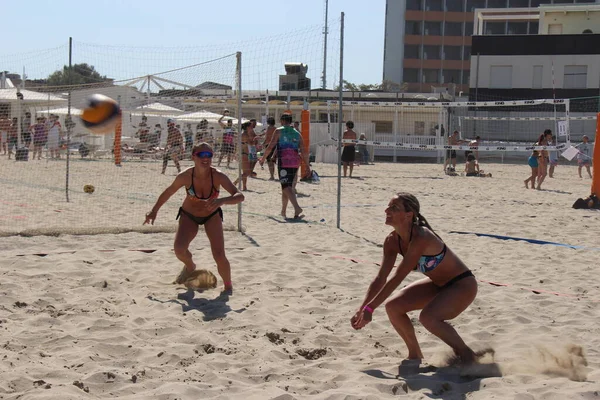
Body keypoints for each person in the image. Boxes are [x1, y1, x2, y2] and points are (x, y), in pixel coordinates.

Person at [351, 193, 478, 364]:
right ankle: (415, 354)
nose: (387, 210)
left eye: (394, 208)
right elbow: (381, 278)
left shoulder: (421, 237)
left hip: (462, 285)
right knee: (393, 307)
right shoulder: (391, 241)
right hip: (438, 284)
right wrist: (363, 307)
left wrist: (371, 308)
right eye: (388, 206)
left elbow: (398, 277)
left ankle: (468, 356)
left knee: (428, 317)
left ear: (409, 215)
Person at [144, 143, 244, 292]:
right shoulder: (185, 176)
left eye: (209, 155)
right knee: (179, 249)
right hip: (189, 215)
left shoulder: (218, 176)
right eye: (202, 155)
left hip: (211, 216)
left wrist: (221, 201)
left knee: (219, 254)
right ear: (193, 157)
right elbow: (168, 192)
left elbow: (239, 196)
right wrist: (154, 211)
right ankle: (190, 266)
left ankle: (228, 286)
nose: (206, 158)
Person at [259, 113, 310, 219]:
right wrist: (308, 166)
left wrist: (263, 158)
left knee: (285, 187)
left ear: (282, 120)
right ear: (290, 121)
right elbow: (304, 151)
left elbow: (270, 146)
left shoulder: (278, 130)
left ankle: (297, 208)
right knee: (287, 187)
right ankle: (283, 212)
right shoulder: (297, 133)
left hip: (284, 162)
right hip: (295, 162)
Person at [233, 122, 253, 191]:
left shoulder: (245, 134)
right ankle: (235, 183)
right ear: (247, 127)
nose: (252, 127)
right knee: (247, 173)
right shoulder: (245, 135)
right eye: (251, 126)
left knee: (245, 172)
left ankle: (244, 187)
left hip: (244, 154)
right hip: (244, 154)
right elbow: (251, 143)